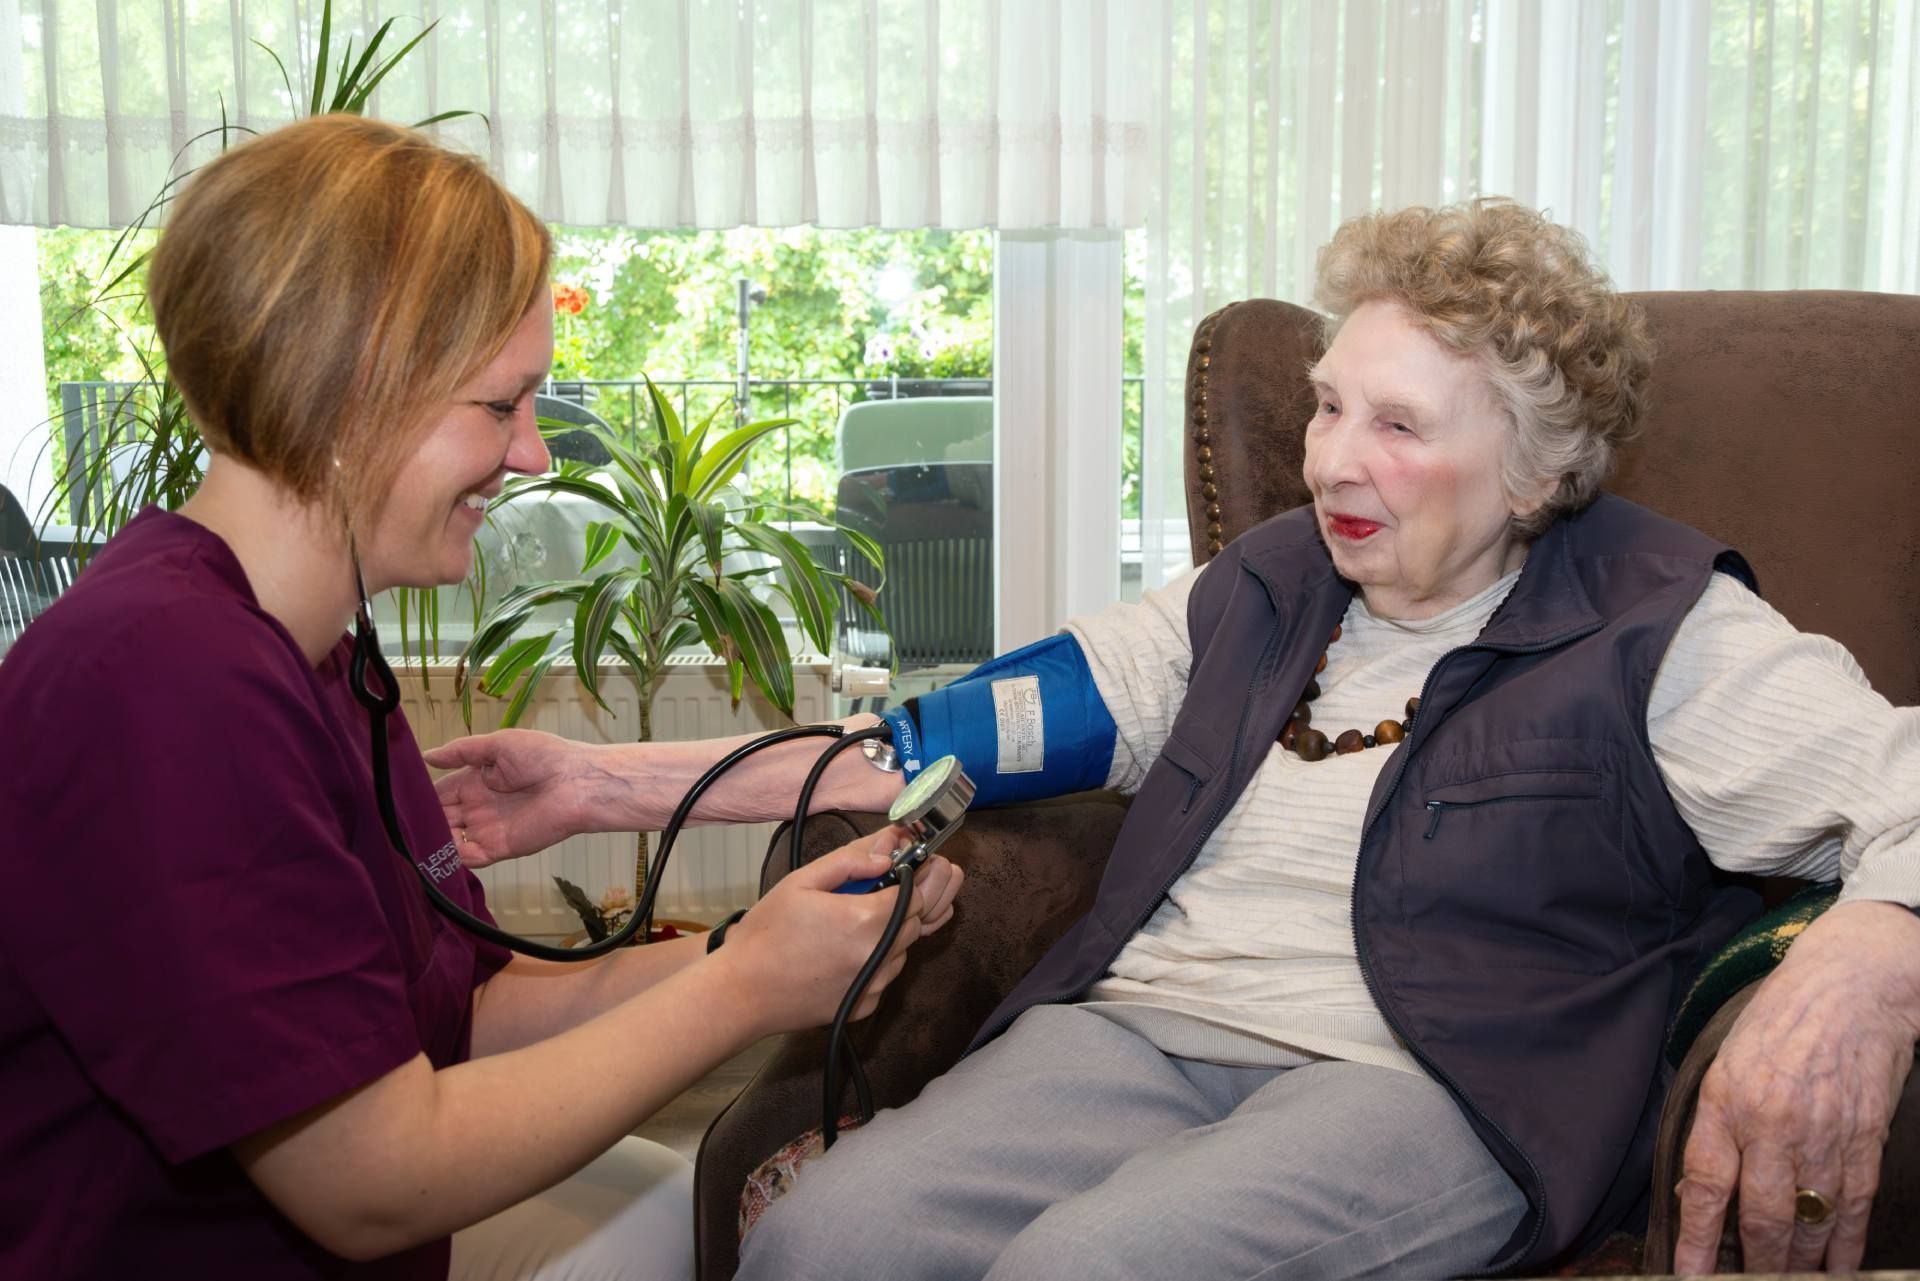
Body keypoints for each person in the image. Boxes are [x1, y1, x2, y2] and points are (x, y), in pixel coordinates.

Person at [430, 199, 1920, 1279]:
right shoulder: (1261, 588)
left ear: (1537, 469)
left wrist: (1870, 949)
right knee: (830, 1237)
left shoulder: (1662, 626)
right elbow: (944, 741)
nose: (1335, 456)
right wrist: (593, 782)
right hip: (1140, 1034)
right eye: (1333, 405)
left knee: (1091, 1269)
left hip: (1433, 1083)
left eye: (1399, 426)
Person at [0, 114, 962, 1281]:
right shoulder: (162, 685)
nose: (533, 459)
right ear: (350, 394)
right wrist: (746, 988)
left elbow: (455, 1022)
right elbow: (369, 1179)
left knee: (705, 1221)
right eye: (499, 407)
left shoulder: (309, 653)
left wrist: (756, 944)